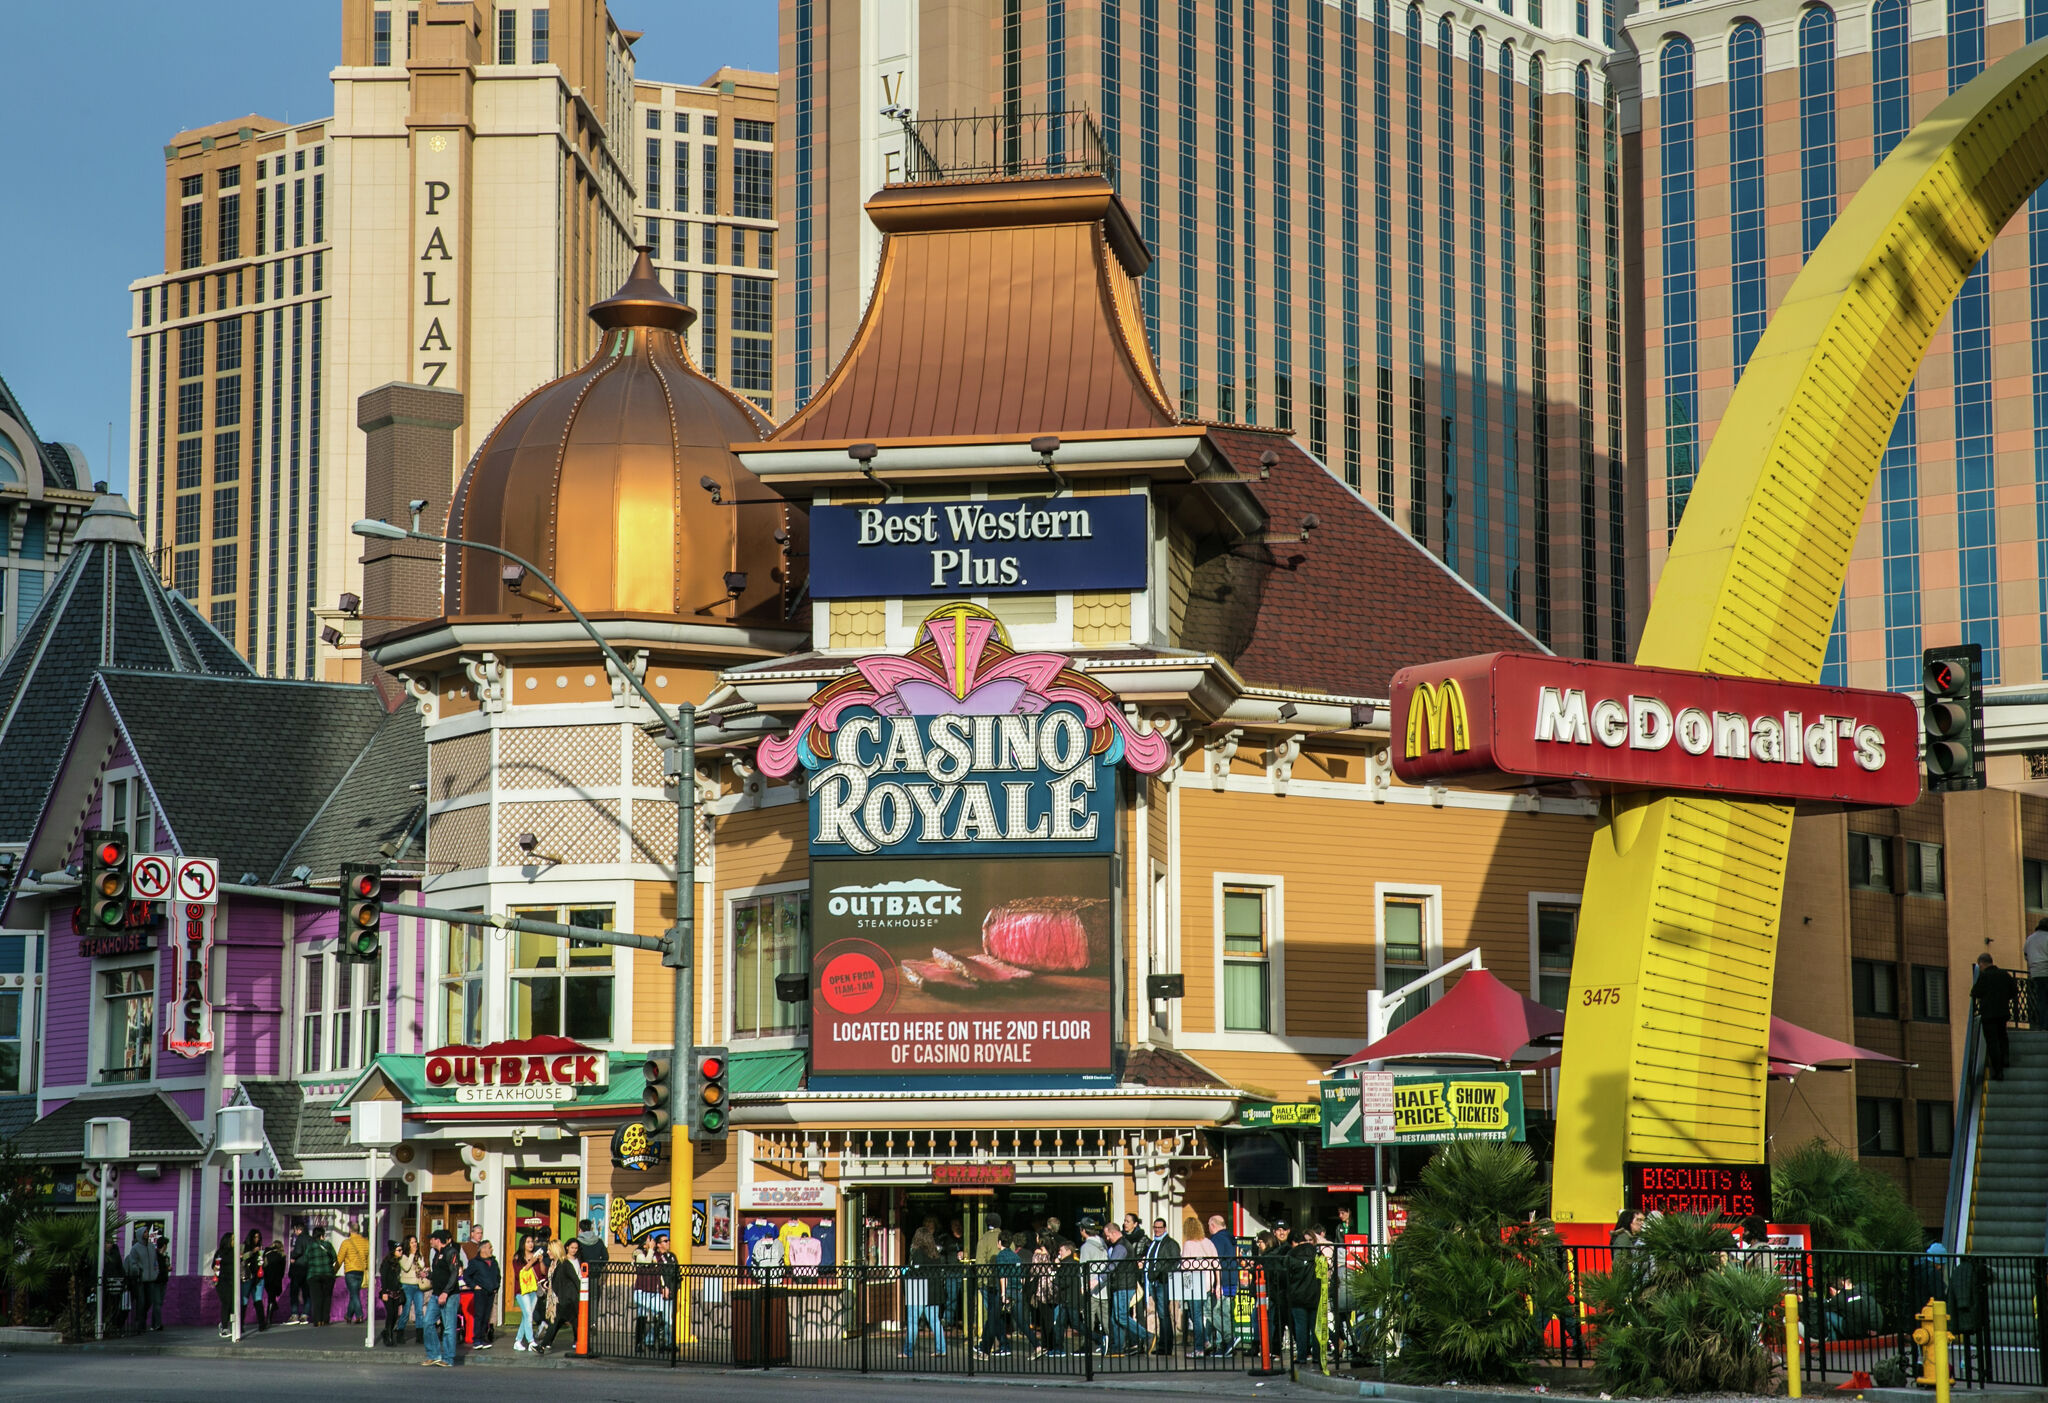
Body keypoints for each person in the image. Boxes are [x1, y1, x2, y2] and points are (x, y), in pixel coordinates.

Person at [1971, 954, 2018, 1080]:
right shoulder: (2004, 975)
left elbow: (1975, 992)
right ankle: (2005, 1059)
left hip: (1988, 1014)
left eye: (1979, 965)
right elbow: (2014, 991)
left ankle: (1998, 1071)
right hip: (2002, 1011)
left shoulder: (1984, 976)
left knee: (1992, 1042)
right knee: (2002, 1035)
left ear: (1982, 963)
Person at [421, 1228, 463, 1366]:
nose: (430, 1241)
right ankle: (434, 1354)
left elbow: (454, 1274)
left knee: (449, 1327)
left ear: (438, 1240)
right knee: (428, 1322)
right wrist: (427, 1275)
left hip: (449, 1295)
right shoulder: (436, 1255)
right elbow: (439, 1275)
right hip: (436, 1294)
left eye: (432, 1239)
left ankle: (448, 1358)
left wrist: (446, 1292)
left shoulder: (451, 1252)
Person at [1104, 1222, 1146, 1355]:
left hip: (1124, 1285)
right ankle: (1118, 1347)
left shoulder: (1121, 1246)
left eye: (1108, 1235)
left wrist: (1098, 1279)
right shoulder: (1121, 1244)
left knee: (1121, 1316)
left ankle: (1147, 1336)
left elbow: (1112, 1266)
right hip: (1121, 1285)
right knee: (1115, 1317)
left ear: (1113, 1232)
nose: (1107, 1238)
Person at [1141, 1216, 1181, 1355]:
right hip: (1154, 1281)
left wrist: (1160, 1271)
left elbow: (1175, 1262)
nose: (1157, 1230)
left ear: (1165, 1228)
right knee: (1161, 1314)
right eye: (1155, 1227)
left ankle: (1166, 1346)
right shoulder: (1153, 1243)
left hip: (1163, 1282)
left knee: (1164, 1314)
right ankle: (1162, 1344)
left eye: (1160, 1227)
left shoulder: (1170, 1243)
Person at [1179, 1218, 1218, 1355]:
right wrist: (1217, 1285)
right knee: (1197, 1314)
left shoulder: (1188, 1244)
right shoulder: (1208, 1242)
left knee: (1195, 1315)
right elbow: (1216, 1264)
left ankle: (1199, 1348)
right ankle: (1205, 1341)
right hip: (1208, 1282)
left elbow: (1184, 1266)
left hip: (1194, 1283)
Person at [1207, 1214, 1239, 1358]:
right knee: (1224, 1313)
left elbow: (1215, 1261)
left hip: (1222, 1280)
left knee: (1214, 1312)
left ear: (1213, 1225)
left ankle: (1227, 1340)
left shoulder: (1217, 1239)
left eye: (1208, 1226)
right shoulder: (1230, 1238)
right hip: (1231, 1278)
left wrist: (1215, 1283)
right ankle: (1224, 1346)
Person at [123, 1225, 163, 1335]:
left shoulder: (151, 1247)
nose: (147, 1234)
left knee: (149, 1301)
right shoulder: (135, 1248)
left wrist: (156, 1271)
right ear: (141, 1234)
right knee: (141, 1301)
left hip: (151, 1279)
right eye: (145, 1232)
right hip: (140, 1280)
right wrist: (137, 1270)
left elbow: (155, 1261)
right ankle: (140, 1324)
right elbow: (132, 1262)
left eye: (147, 1232)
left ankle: (142, 1319)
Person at [464, 1240, 500, 1348]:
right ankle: (477, 1340)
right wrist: (474, 1286)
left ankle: (483, 1339)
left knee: (486, 1316)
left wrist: (496, 1287)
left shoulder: (493, 1262)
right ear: (483, 1249)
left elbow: (498, 1276)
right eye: (490, 1247)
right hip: (480, 1292)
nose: (492, 1249)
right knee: (479, 1315)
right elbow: (467, 1276)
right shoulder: (475, 1262)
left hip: (491, 1292)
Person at [302, 1225, 339, 1327]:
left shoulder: (310, 1247)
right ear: (322, 1235)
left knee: (316, 1298)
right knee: (327, 1297)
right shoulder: (328, 1245)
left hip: (313, 1275)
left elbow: (305, 1260)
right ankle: (325, 1320)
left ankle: (317, 1320)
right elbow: (335, 1258)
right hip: (328, 1274)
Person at [575, 1218, 608, 1329]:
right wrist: (599, 1267)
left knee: (581, 1297)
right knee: (594, 1298)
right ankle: (593, 1322)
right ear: (591, 1228)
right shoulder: (598, 1241)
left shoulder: (578, 1242)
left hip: (582, 1274)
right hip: (595, 1273)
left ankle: (582, 1321)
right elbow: (605, 1257)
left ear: (580, 1229)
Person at [514, 1235, 544, 1352]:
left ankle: (518, 1340)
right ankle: (531, 1341)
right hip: (522, 1290)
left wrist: (540, 1261)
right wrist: (532, 1262)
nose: (531, 1244)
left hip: (533, 1289)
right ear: (523, 1244)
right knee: (528, 1315)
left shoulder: (535, 1257)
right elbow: (519, 1273)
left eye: (532, 1242)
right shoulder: (518, 1257)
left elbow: (542, 1273)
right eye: (528, 1242)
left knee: (527, 1315)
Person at [397, 1234, 428, 1343]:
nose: (415, 1244)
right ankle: (400, 1332)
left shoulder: (418, 1255)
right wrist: (411, 1254)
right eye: (412, 1242)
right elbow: (406, 1267)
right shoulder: (403, 1256)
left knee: (419, 1311)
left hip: (417, 1285)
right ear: (407, 1244)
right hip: (407, 1286)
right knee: (406, 1311)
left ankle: (420, 1335)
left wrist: (418, 1258)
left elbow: (422, 1266)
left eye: (415, 1242)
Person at [339, 1218, 370, 1324]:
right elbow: (369, 1258)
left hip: (350, 1271)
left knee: (354, 1294)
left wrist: (333, 1272)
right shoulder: (366, 1242)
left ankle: (359, 1315)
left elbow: (340, 1259)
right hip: (361, 1271)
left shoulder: (346, 1243)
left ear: (350, 1230)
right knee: (355, 1293)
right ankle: (348, 1316)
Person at [378, 1241, 405, 1345]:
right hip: (388, 1292)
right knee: (390, 1313)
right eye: (399, 1250)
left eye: (401, 1250)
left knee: (394, 1315)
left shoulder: (399, 1262)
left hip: (396, 1292)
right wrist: (384, 1292)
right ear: (393, 1251)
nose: (401, 1252)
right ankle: (388, 1336)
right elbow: (384, 1278)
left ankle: (386, 1331)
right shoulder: (387, 1263)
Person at [241, 1228, 268, 1333]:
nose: (257, 1239)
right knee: (244, 1301)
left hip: (258, 1277)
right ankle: (240, 1324)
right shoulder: (244, 1247)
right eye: (255, 1237)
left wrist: (262, 1259)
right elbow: (241, 1258)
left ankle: (262, 1324)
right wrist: (252, 1252)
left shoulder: (261, 1249)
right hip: (247, 1276)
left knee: (258, 1300)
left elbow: (265, 1263)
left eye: (258, 1237)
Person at [211, 1232, 236, 1338]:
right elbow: (214, 1265)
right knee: (226, 1302)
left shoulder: (235, 1252)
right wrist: (216, 1268)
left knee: (231, 1304)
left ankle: (224, 1322)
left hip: (232, 1281)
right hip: (222, 1281)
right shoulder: (220, 1252)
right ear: (228, 1241)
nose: (235, 1241)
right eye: (233, 1239)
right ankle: (224, 1328)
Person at [286, 1223, 310, 1323]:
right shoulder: (311, 1239)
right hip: (308, 1269)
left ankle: (294, 1314)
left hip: (298, 1269)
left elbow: (298, 1251)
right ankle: (305, 1314)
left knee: (294, 1292)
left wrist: (293, 1257)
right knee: (306, 1294)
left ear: (298, 1230)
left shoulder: (300, 1238)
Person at [2028, 917, 2048, 1030]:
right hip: (2046, 971)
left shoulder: (2030, 939)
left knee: (2041, 1000)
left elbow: (2026, 954)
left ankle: (2041, 1024)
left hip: (2036, 973)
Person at [262, 1238, 287, 1325]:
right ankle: (269, 1318)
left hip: (266, 1278)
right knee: (272, 1298)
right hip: (276, 1279)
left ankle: (271, 1311)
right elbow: (282, 1270)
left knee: (270, 1296)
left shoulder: (266, 1253)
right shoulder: (282, 1255)